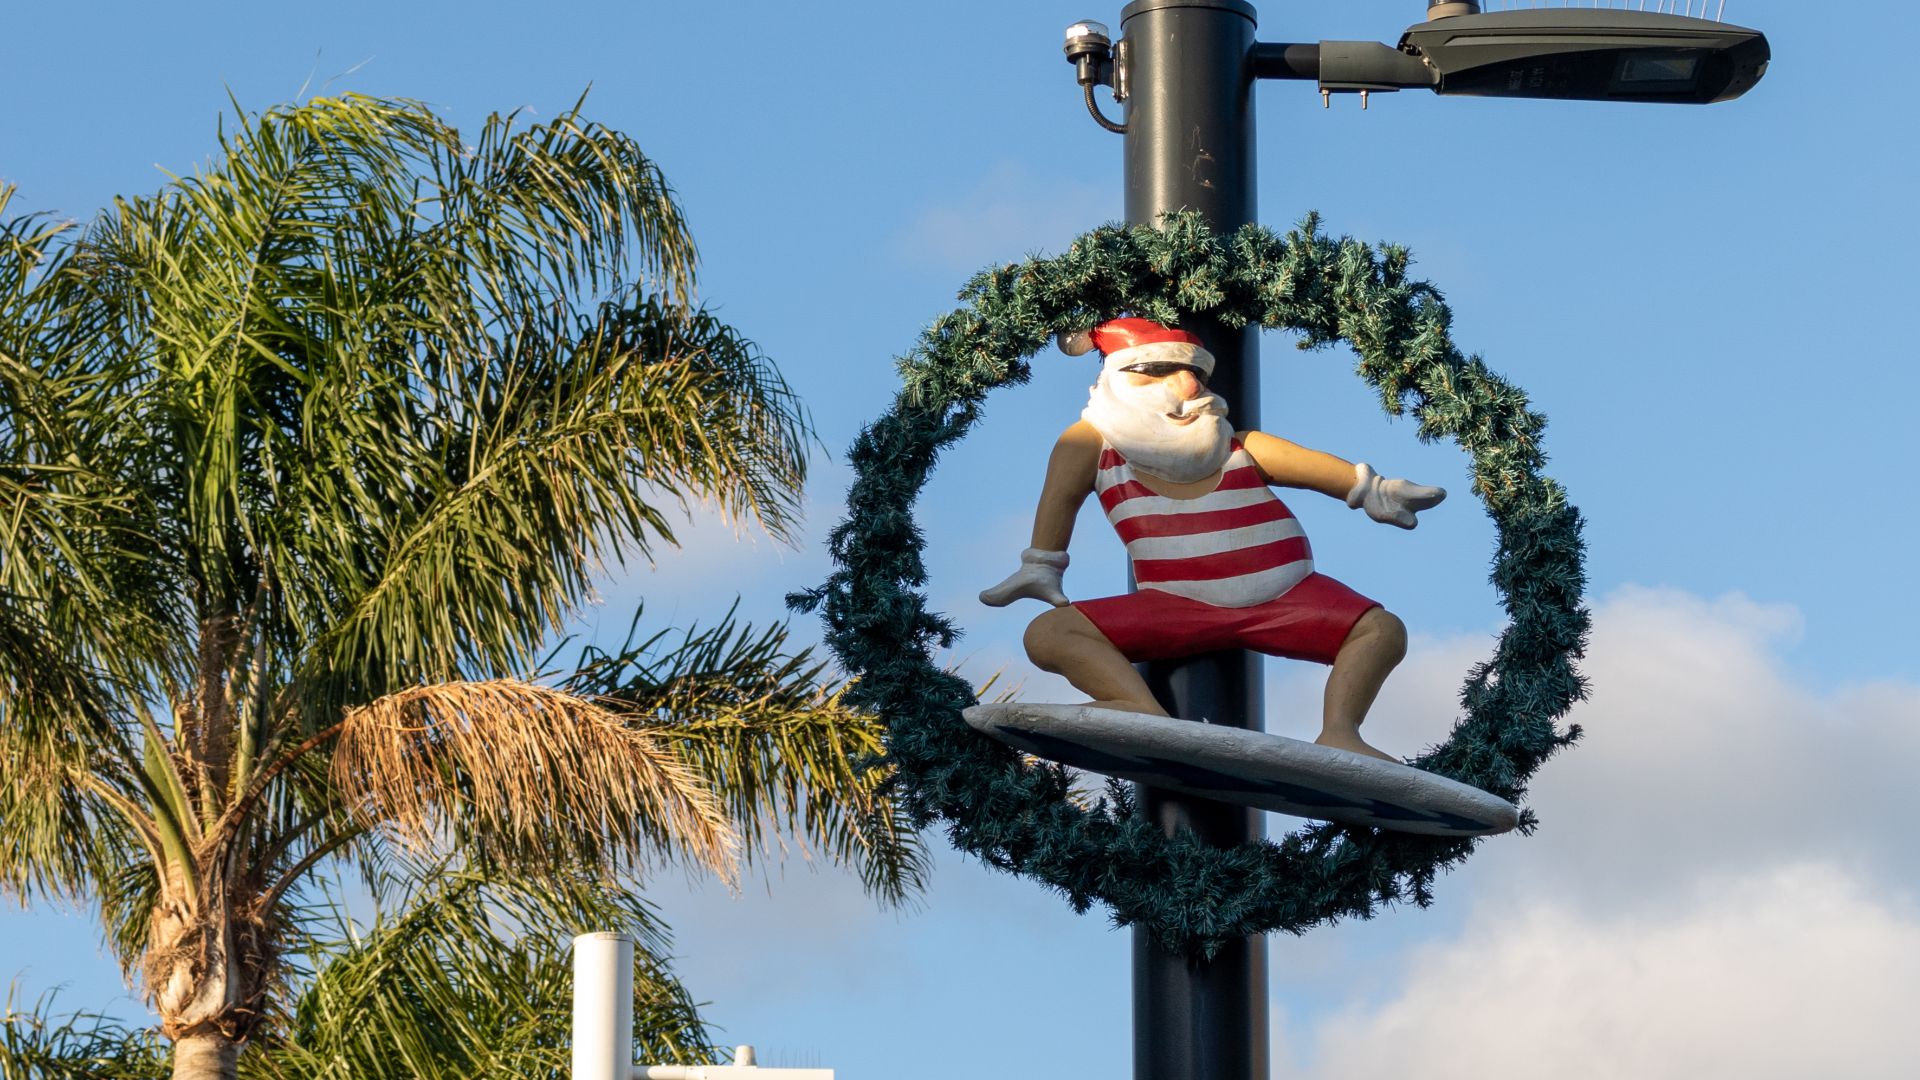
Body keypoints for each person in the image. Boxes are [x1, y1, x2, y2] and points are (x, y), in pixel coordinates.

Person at [980, 317, 1445, 761]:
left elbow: (1333, 475)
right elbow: (1060, 500)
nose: (1188, 386)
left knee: (1381, 630)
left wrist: (1378, 492)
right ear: (1118, 380)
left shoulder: (1242, 447)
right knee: (1049, 634)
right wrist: (1041, 565)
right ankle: (1134, 706)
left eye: (1195, 372)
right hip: (1175, 606)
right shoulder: (1092, 448)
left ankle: (1340, 732)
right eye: (1160, 371)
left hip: (1285, 597)